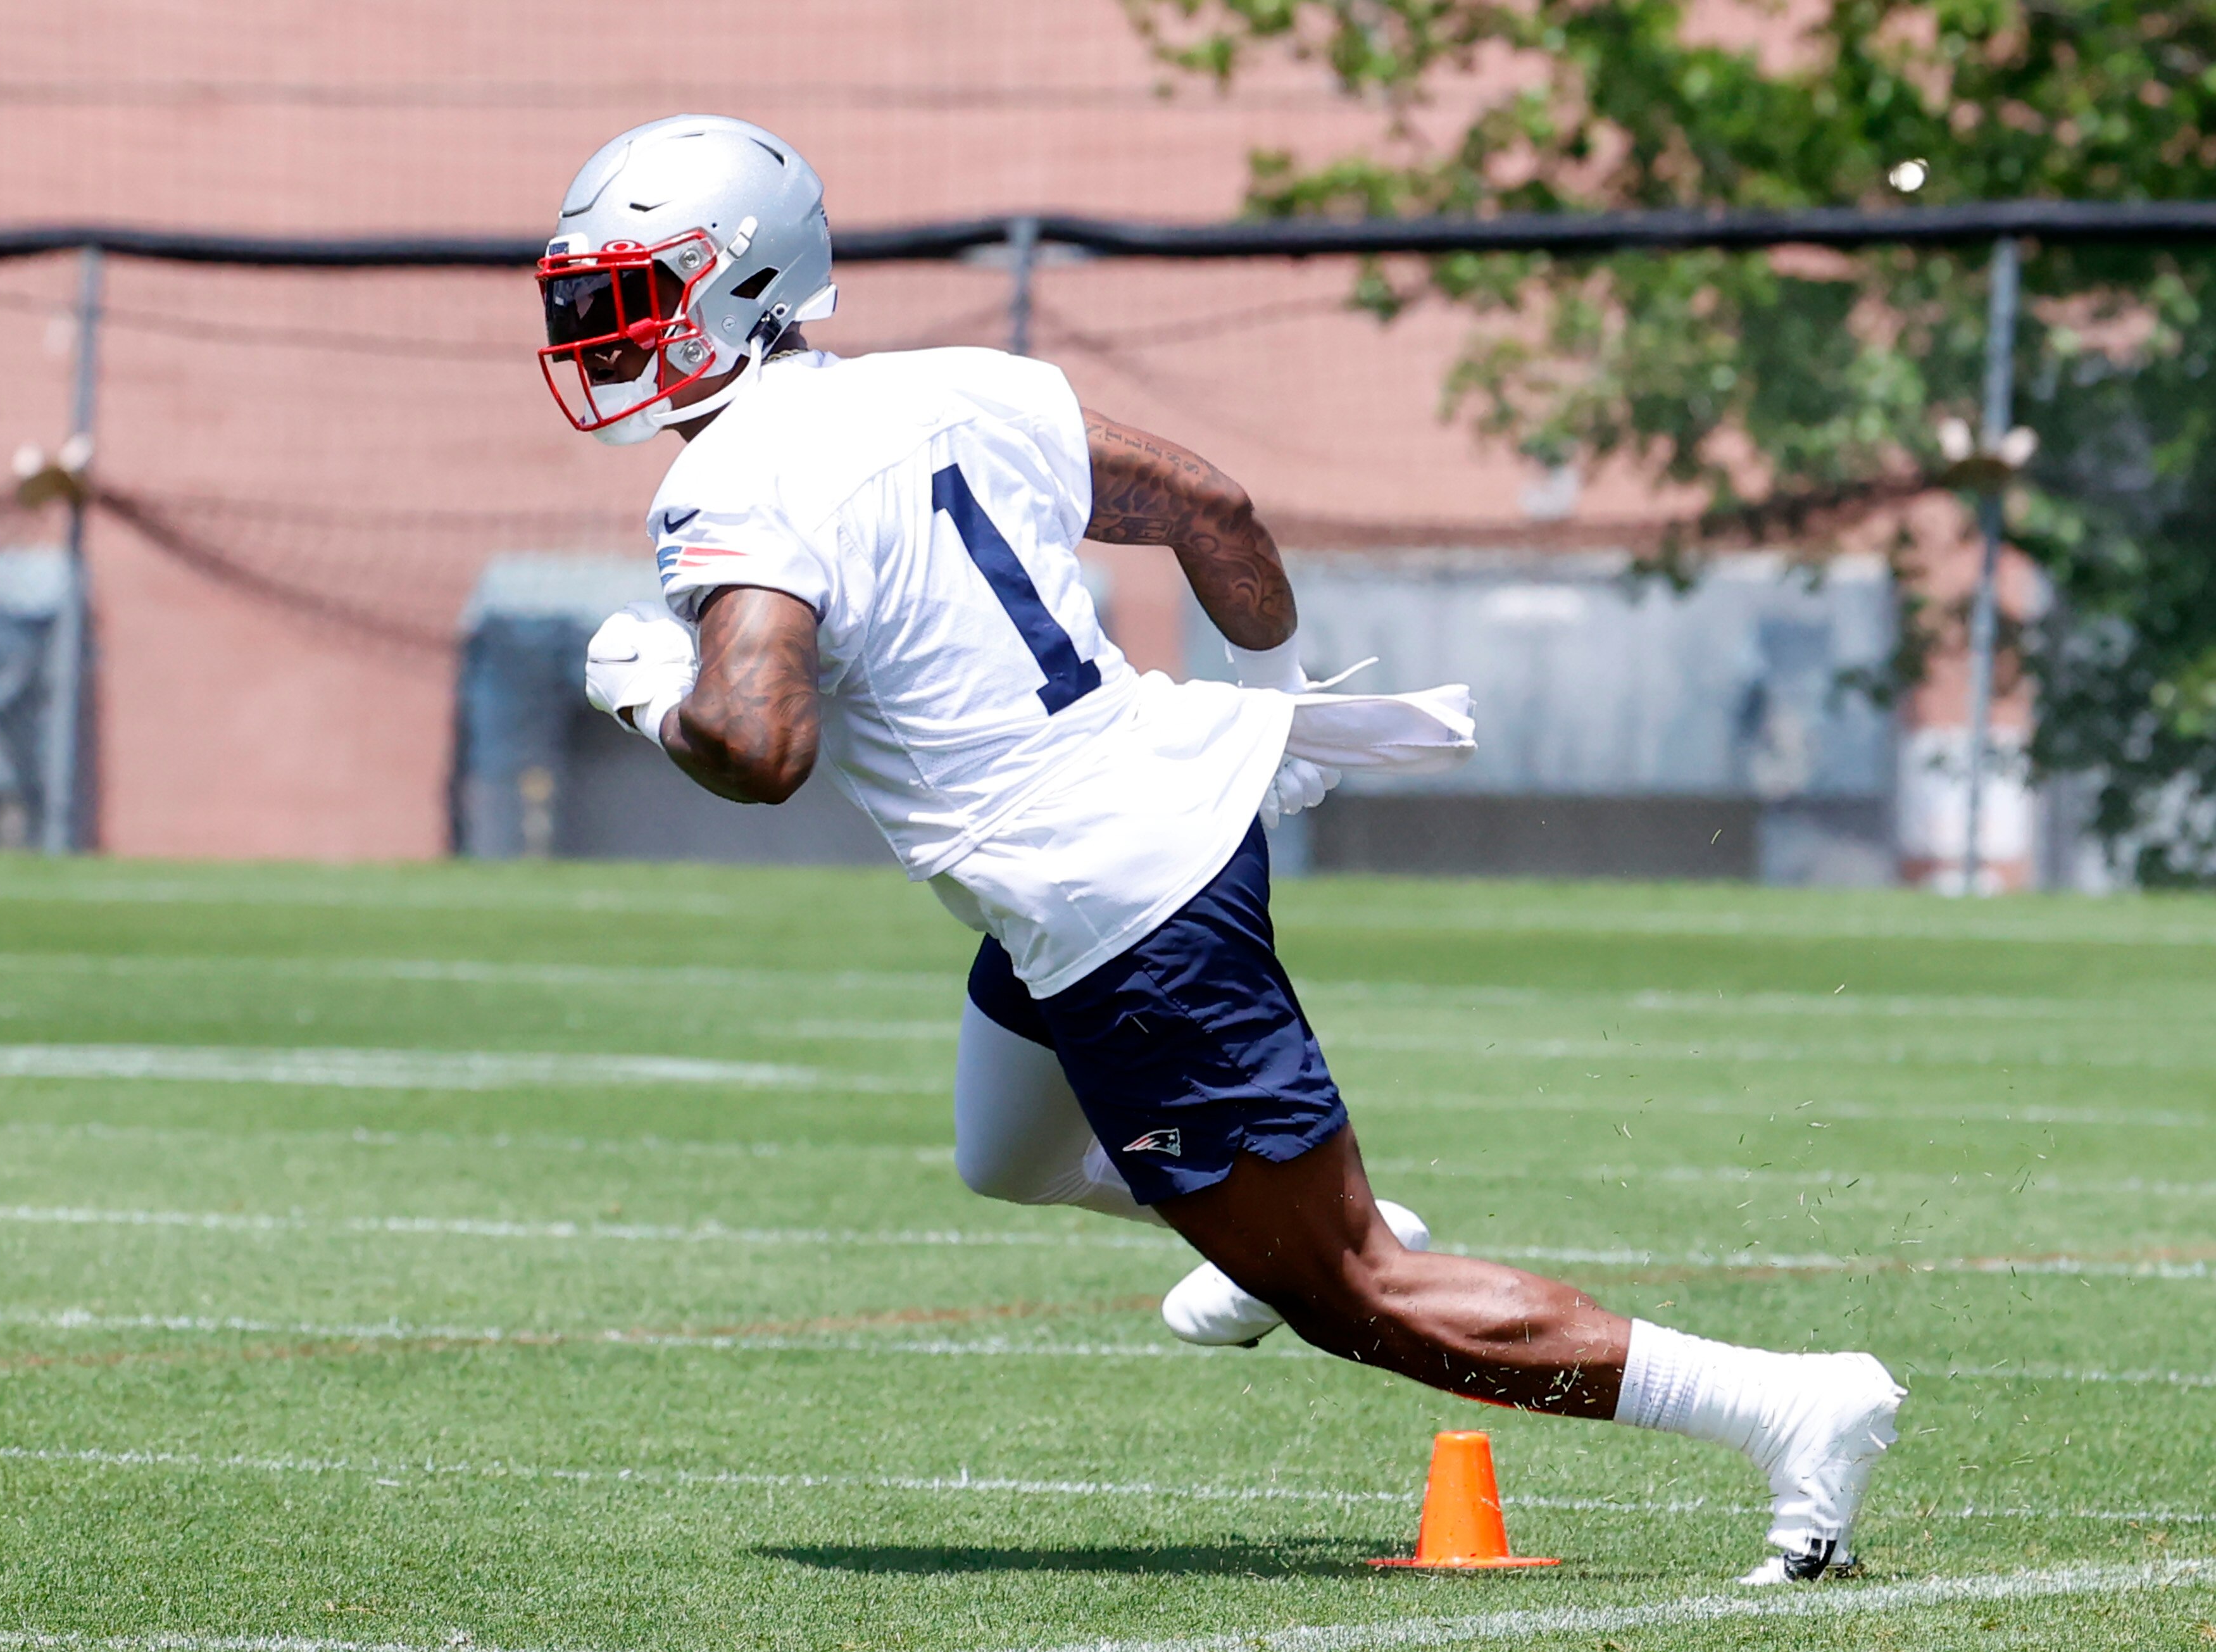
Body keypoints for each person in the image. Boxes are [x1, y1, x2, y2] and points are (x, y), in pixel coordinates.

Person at [541, 113, 1905, 1586]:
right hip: (1132, 824)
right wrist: (1275, 690)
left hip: (1116, 897)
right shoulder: (960, 386)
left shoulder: (727, 479)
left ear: (738, 287)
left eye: (628, 300)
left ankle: (1788, 1406)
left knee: (1358, 1292)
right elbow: (1212, 508)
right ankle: (1264, 1222)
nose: (603, 338)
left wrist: (648, 697)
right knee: (1006, 1151)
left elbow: (759, 746)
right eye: (586, 306)